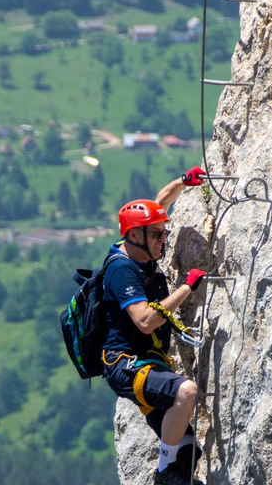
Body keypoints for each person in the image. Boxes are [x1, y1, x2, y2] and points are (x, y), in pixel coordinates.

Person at [101, 166, 208, 485]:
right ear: (134, 235)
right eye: (158, 234)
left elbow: (160, 201)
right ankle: (163, 474)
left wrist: (182, 183)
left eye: (164, 232)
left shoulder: (139, 251)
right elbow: (145, 321)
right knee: (186, 393)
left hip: (147, 364)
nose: (164, 239)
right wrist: (187, 287)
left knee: (188, 451)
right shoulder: (123, 272)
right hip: (127, 365)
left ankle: (172, 471)